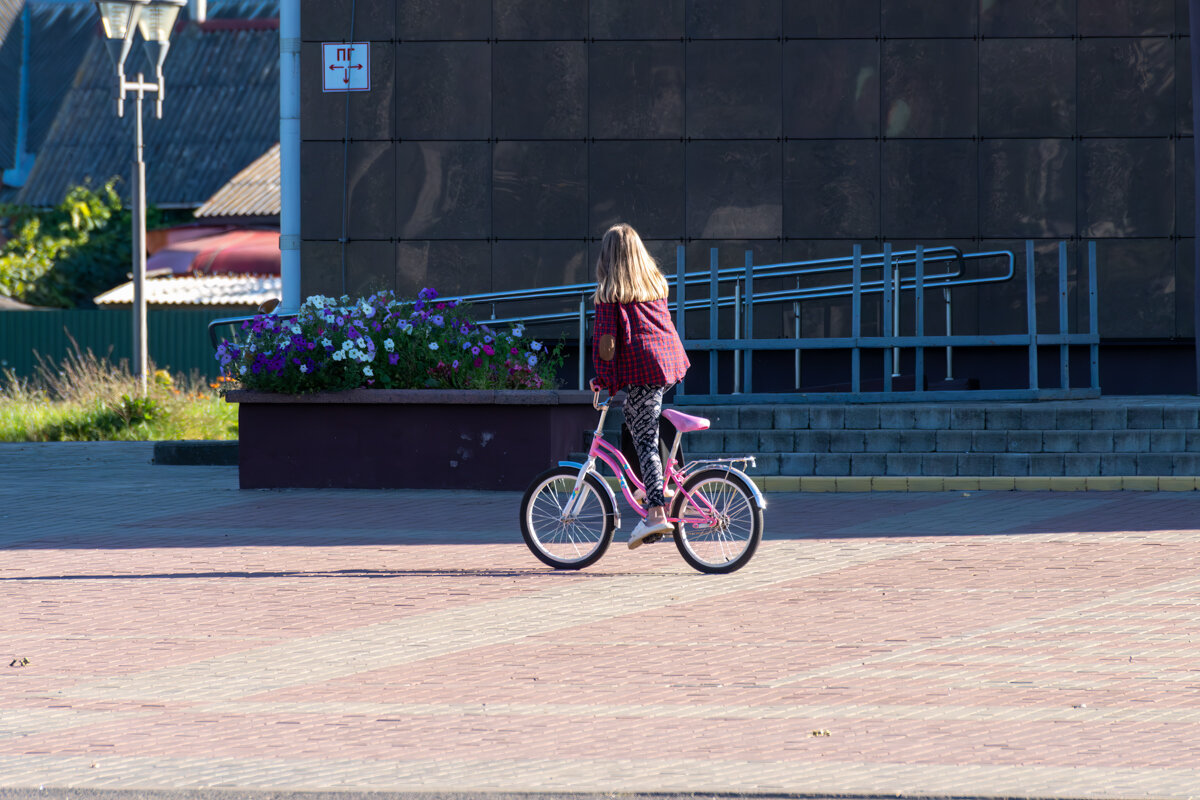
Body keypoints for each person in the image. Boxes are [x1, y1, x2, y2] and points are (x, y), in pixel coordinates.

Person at [589, 223, 690, 549]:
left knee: (644, 438)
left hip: (645, 371)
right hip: (665, 364)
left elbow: (607, 346)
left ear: (607, 257)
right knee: (637, 419)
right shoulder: (654, 285)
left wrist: (602, 379)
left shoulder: (610, 294)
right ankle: (665, 482)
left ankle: (657, 511)